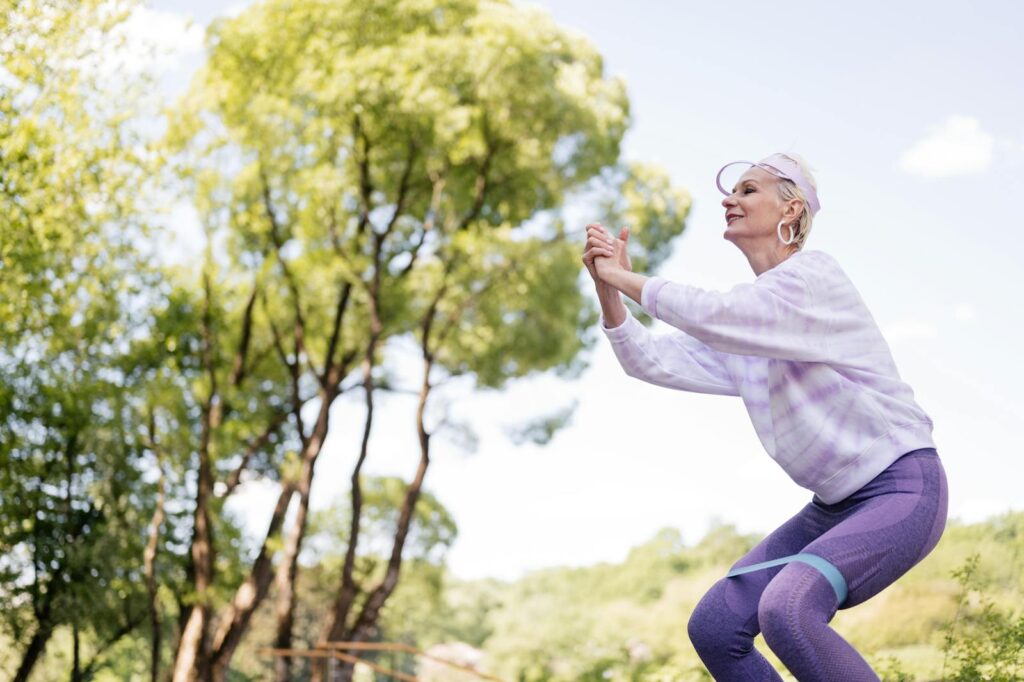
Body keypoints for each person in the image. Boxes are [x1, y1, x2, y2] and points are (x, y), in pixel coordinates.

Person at [580, 153, 948, 681]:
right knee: (715, 626)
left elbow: (721, 315)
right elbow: (650, 360)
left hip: (902, 488)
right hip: (833, 507)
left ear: (790, 207)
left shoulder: (815, 277)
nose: (730, 199)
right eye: (731, 192)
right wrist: (608, 290)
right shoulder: (747, 332)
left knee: (788, 609)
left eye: (748, 190)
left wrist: (625, 274)